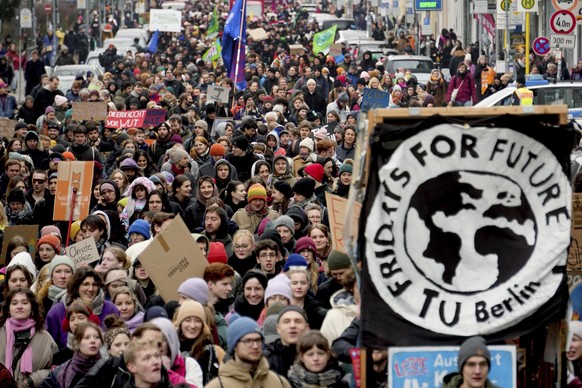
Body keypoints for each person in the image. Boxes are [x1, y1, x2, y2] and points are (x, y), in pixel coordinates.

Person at [205, 315, 291, 388]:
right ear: (234, 346)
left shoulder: (279, 383)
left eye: (258, 340)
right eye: (248, 341)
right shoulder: (218, 386)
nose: (255, 346)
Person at [0, 288, 58, 387]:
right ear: (8, 309)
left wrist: (33, 379)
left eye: (24, 303)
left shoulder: (46, 339)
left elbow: (56, 370)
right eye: (14, 303)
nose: (19, 306)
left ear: (32, 308)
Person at [40, 322, 104, 388]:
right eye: (87, 337)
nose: (93, 341)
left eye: (97, 337)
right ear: (77, 342)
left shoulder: (108, 370)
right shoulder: (60, 372)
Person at [263, 305, 310, 377]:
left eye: (298, 321)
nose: (292, 325)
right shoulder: (265, 359)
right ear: (278, 329)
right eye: (286, 321)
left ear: (307, 328)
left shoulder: (317, 356)